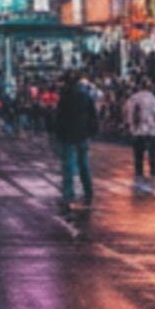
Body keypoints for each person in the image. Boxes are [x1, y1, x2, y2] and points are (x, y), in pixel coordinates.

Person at [53, 71, 97, 211]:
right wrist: (92, 131)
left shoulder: (65, 97)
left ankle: (68, 196)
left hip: (68, 135)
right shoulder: (85, 96)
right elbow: (93, 115)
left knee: (68, 166)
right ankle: (88, 192)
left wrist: (58, 134)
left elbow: (59, 118)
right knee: (84, 164)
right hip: (83, 134)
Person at [125, 81, 155, 178]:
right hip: (151, 130)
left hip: (137, 131)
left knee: (138, 153)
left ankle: (139, 171)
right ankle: (153, 171)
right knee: (153, 152)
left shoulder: (133, 98)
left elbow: (127, 112)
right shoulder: (153, 98)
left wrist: (130, 125)